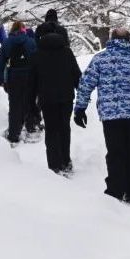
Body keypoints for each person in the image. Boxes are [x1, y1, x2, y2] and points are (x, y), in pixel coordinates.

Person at [74, 27, 130, 205]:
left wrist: (80, 109)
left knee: (115, 152)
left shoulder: (100, 59)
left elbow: (86, 84)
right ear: (129, 40)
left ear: (111, 39)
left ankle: (115, 191)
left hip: (111, 115)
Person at [33, 29, 82, 174]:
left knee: (51, 129)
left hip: (46, 99)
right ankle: (65, 161)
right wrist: (81, 93)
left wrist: (31, 101)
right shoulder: (67, 53)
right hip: (66, 98)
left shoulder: (37, 54)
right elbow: (76, 74)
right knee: (64, 128)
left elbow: (32, 79)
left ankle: (54, 164)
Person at [0, 21, 40, 145]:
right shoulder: (31, 42)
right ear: (23, 29)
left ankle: (14, 134)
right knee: (30, 102)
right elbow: (38, 60)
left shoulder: (7, 42)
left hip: (13, 77)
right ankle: (32, 129)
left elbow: (0, 62)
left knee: (15, 105)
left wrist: (1, 79)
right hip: (29, 77)